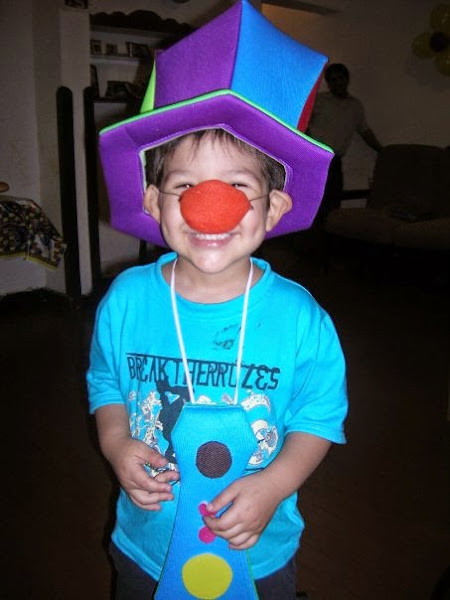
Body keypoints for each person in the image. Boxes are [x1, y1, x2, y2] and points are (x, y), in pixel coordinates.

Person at [87, 2, 348, 599]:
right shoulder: (126, 300)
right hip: (145, 546)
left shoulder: (300, 319)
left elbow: (317, 419)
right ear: (152, 202)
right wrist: (115, 441)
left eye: (237, 186)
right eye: (184, 186)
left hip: (255, 549)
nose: (210, 208)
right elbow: (105, 383)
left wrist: (274, 486)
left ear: (273, 208)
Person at [308, 63, 383, 223]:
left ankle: (328, 237)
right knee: (312, 204)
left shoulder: (355, 106)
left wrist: (381, 150)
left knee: (333, 204)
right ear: (328, 83)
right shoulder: (318, 100)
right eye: (333, 80)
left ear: (347, 79)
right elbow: (302, 121)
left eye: (340, 78)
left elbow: (365, 131)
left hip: (335, 162)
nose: (337, 82)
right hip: (315, 158)